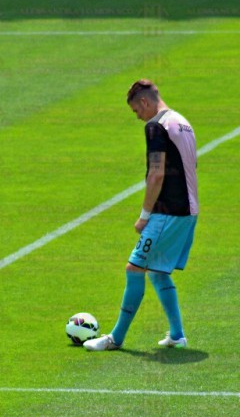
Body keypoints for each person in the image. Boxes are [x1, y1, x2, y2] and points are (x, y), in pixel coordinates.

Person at [85, 79, 198, 351]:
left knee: (134, 268)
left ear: (145, 102)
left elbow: (156, 174)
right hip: (189, 211)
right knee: (157, 272)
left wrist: (145, 215)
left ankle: (115, 339)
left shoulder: (156, 126)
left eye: (136, 111)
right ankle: (177, 335)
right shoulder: (182, 122)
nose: (138, 117)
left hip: (167, 213)